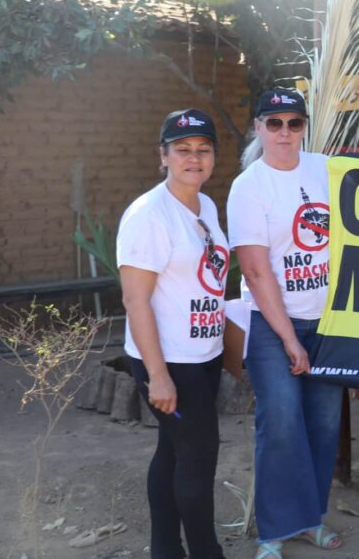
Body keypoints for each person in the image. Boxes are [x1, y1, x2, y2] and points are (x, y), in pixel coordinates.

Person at [227, 88, 343, 558]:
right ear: (258, 127)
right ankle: (273, 531)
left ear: (303, 128)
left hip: (330, 322)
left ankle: (310, 519)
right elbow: (255, 270)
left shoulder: (324, 170)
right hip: (273, 325)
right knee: (279, 421)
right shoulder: (248, 186)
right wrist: (289, 338)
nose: (284, 132)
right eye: (273, 123)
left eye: (293, 123)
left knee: (324, 422)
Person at [119, 108, 228, 559]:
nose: (193, 159)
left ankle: (165, 548)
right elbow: (135, 300)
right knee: (199, 458)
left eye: (203, 151)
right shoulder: (148, 214)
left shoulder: (206, 205)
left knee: (173, 451)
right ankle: (207, 552)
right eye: (182, 150)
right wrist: (158, 375)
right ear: (162, 156)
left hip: (204, 354)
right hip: (169, 361)